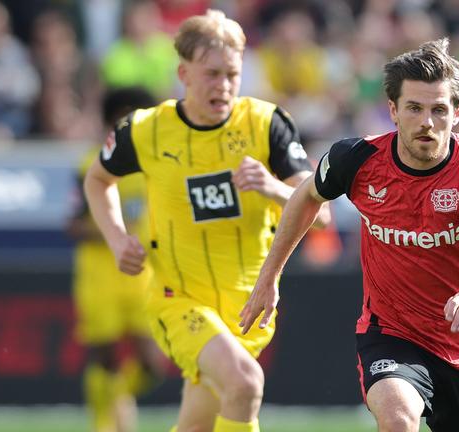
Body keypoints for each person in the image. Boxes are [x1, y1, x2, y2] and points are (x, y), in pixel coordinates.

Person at [240, 38, 459, 432]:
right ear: (393, 111)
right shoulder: (357, 159)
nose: (426, 122)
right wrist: (270, 276)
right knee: (397, 416)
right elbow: (306, 196)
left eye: (438, 110)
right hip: (391, 334)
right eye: (414, 108)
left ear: (457, 113)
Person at [84, 10, 330, 432]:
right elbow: (98, 178)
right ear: (184, 73)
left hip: (247, 306)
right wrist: (116, 236)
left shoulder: (266, 124)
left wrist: (272, 189)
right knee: (245, 384)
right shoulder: (148, 130)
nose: (224, 86)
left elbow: (320, 215)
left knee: (198, 423)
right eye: (212, 74)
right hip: (177, 298)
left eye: (232, 74)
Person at [69, 86, 164, 432]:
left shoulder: (156, 167)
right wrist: (116, 237)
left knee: (152, 364)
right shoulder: (91, 164)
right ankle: (103, 425)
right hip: (99, 273)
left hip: (142, 276)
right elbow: (73, 225)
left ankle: (116, 402)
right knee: (104, 358)